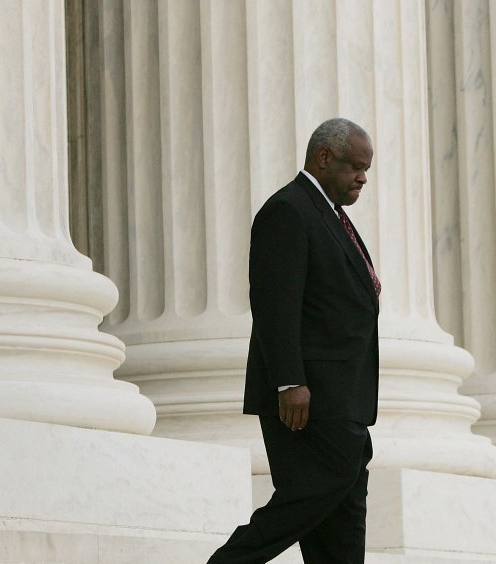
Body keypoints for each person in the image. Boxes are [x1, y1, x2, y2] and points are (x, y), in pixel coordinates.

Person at [208, 118, 380, 563]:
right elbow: (274, 305)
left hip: (344, 401)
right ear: (324, 158)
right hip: (309, 402)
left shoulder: (331, 215)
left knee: (340, 524)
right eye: (356, 167)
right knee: (307, 501)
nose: (363, 177)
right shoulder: (289, 210)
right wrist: (289, 382)